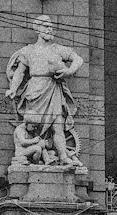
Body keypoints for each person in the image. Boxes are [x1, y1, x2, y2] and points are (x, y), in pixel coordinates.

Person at [6, 15, 84, 168]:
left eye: (50, 26)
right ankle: (37, 155)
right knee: (33, 124)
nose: (49, 29)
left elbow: (78, 59)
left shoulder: (57, 49)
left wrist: (69, 71)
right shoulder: (29, 50)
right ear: (37, 29)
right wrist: (13, 89)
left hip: (53, 88)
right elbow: (20, 72)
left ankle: (63, 156)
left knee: (57, 126)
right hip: (35, 89)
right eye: (45, 26)